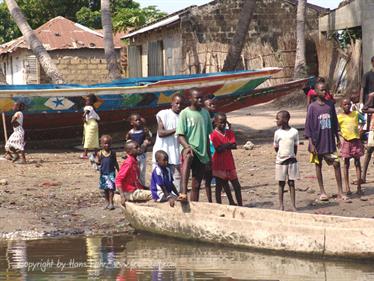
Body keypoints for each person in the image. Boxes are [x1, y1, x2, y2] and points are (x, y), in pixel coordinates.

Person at [304, 81, 347, 201]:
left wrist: (337, 138)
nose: (325, 92)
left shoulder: (330, 105)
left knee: (336, 164)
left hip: (329, 140)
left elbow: (334, 122)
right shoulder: (312, 107)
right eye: (322, 90)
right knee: (318, 165)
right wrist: (311, 143)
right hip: (317, 142)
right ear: (316, 92)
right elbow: (309, 126)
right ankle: (322, 191)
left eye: (325, 90)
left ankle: (340, 191)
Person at [176, 89, 213, 202]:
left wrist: (209, 156)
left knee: (196, 185)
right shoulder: (185, 113)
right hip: (189, 148)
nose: (200, 100)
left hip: (201, 151)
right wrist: (187, 146)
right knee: (188, 156)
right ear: (191, 99)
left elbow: (206, 136)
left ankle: (194, 205)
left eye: (201, 97)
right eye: (197, 98)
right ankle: (183, 191)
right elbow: (180, 135)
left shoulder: (205, 113)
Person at [152, 94, 183, 191]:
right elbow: (161, 133)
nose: (179, 106)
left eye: (181, 104)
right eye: (176, 103)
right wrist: (177, 129)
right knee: (160, 183)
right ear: (172, 103)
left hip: (175, 154)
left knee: (176, 183)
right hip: (162, 153)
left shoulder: (183, 117)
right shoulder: (163, 114)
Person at [210, 112, 243, 206]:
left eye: (224, 122)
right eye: (221, 122)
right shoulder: (214, 134)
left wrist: (225, 146)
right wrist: (228, 145)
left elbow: (234, 145)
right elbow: (219, 149)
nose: (223, 124)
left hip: (229, 162)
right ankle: (219, 206)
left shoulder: (229, 132)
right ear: (215, 122)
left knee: (237, 186)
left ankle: (240, 205)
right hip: (219, 163)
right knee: (219, 187)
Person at [337, 98, 364, 195]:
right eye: (345, 104)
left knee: (357, 163)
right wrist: (340, 136)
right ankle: (347, 187)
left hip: (356, 141)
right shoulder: (339, 117)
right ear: (341, 106)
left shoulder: (355, 114)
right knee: (346, 163)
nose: (347, 106)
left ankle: (359, 186)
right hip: (346, 142)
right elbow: (336, 128)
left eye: (348, 104)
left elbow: (363, 120)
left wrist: (361, 130)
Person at [274, 111, 299, 211]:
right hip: (280, 161)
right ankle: (281, 205)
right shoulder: (277, 133)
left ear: (285, 120)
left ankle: (293, 205)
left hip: (292, 160)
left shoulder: (294, 132)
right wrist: (281, 155)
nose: (276, 121)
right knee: (281, 183)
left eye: (278, 119)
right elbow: (276, 147)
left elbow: (295, 146)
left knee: (292, 182)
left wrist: (291, 155)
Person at [115, 140, 152, 206]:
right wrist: (122, 196)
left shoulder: (134, 161)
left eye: (139, 147)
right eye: (136, 147)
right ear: (130, 151)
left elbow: (135, 180)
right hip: (129, 192)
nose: (139, 149)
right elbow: (118, 179)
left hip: (134, 189)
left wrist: (144, 187)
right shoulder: (128, 162)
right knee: (155, 194)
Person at [125, 113, 152, 186]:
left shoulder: (144, 131)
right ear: (132, 123)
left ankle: (142, 185)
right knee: (133, 170)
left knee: (142, 170)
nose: (138, 121)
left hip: (142, 154)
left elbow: (149, 139)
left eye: (139, 120)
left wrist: (146, 143)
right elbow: (127, 143)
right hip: (133, 156)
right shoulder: (130, 133)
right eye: (136, 120)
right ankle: (133, 185)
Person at [96, 135, 119, 210]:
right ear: (101, 144)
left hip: (111, 173)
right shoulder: (100, 153)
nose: (107, 145)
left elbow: (115, 162)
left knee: (111, 189)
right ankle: (107, 202)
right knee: (105, 189)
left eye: (109, 143)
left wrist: (119, 170)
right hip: (103, 174)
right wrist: (95, 162)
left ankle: (111, 203)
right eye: (105, 143)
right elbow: (98, 163)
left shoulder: (112, 153)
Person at [81, 94, 100, 159]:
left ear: (91, 102)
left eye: (87, 101)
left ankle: (85, 154)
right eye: (86, 101)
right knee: (95, 138)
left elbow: (86, 112)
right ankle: (96, 153)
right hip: (94, 124)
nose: (86, 102)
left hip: (90, 124)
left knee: (88, 138)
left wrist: (83, 117)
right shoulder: (92, 107)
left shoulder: (88, 107)